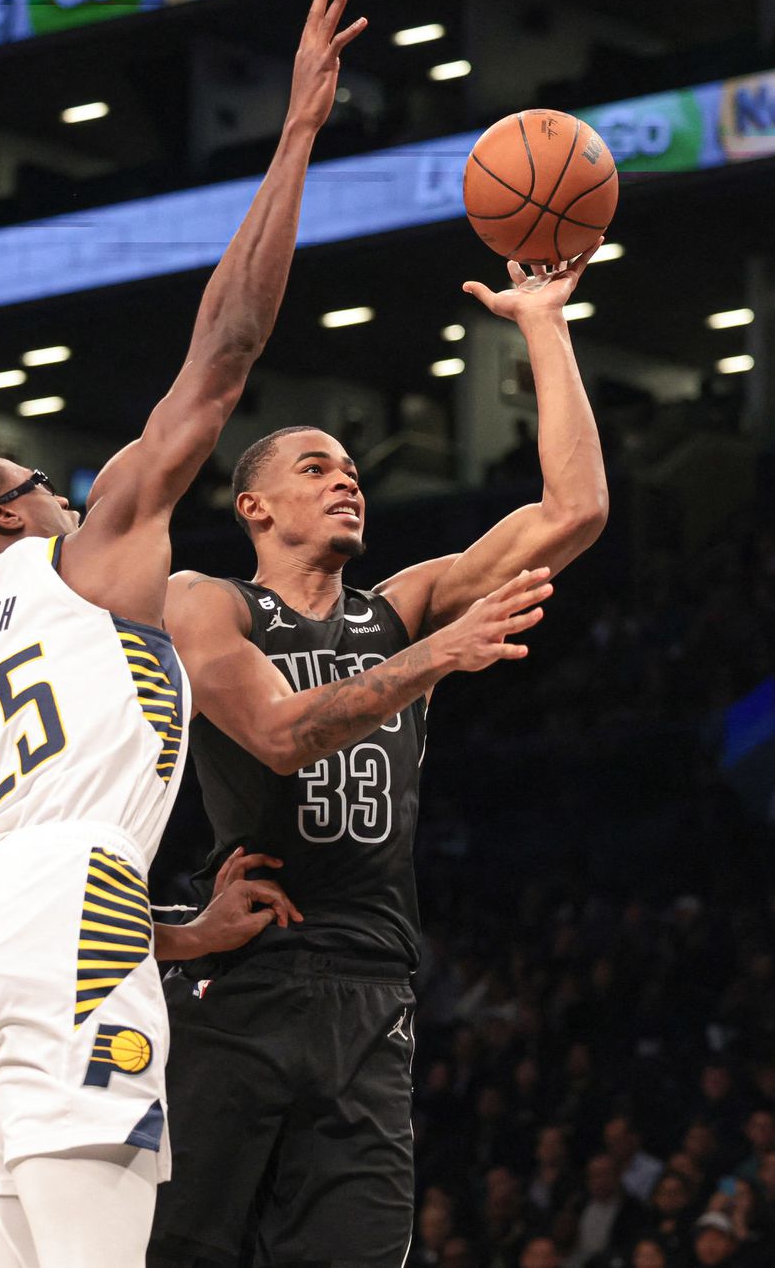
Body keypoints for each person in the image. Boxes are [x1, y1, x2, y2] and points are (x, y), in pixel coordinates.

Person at [0, 0, 365, 1268]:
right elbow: (225, 351)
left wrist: (186, 932)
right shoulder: (86, 559)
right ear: (2, 519)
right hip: (71, 913)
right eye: (37, 482)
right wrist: (297, 136)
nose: (62, 487)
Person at [146, 242, 609, 1266]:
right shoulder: (208, 603)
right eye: (316, 470)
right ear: (255, 507)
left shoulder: (398, 606)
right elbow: (277, 734)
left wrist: (543, 326)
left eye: (353, 472)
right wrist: (437, 658)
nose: (345, 482)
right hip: (249, 978)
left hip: (374, 985)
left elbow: (574, 512)